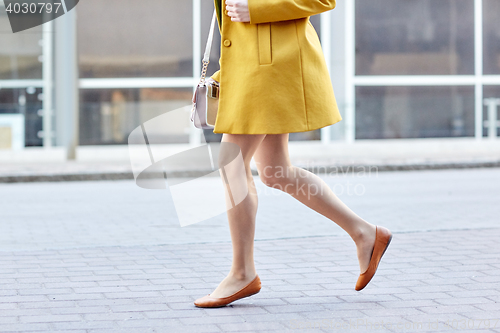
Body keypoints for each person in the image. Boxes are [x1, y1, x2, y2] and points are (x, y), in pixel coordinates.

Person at [194, 0, 392, 308]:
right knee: (275, 172)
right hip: (251, 66)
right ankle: (365, 233)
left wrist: (256, 9)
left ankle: (242, 272)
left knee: (231, 162)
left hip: (270, 68)